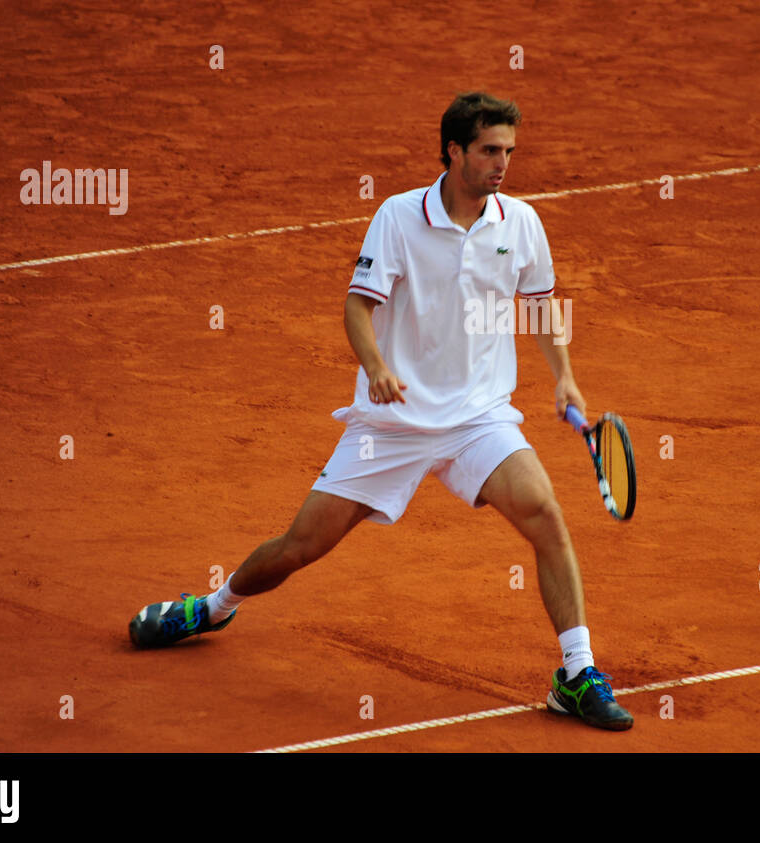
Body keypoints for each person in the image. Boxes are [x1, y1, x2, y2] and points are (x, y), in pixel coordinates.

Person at [128, 92, 632, 731]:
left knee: (546, 515)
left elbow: (540, 306)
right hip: (391, 426)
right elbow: (357, 307)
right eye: (489, 151)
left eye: (509, 151)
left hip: (479, 418)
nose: (502, 163)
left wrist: (564, 377)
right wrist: (376, 367)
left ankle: (576, 672)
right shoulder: (398, 217)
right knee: (300, 546)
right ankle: (214, 606)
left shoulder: (521, 223)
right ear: (454, 150)